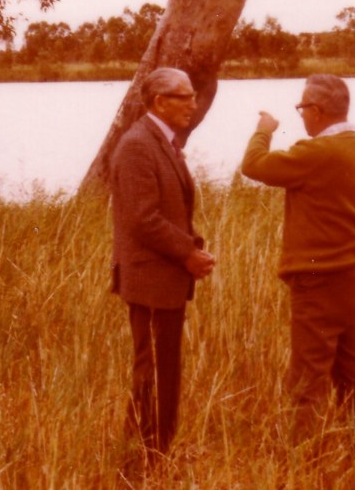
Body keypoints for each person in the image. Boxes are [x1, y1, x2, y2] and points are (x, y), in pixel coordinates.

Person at [240, 74, 355, 442]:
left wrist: (264, 129)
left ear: (317, 111)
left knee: (307, 377)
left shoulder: (316, 152)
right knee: (351, 368)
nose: (300, 116)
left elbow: (254, 165)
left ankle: (301, 459)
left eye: (301, 108)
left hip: (319, 282)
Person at [110, 67, 216, 460]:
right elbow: (143, 218)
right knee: (153, 373)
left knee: (162, 372)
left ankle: (155, 456)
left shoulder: (161, 141)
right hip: (150, 280)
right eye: (184, 97)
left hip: (163, 278)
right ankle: (143, 460)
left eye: (192, 95)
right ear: (159, 102)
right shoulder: (139, 145)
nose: (193, 103)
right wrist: (188, 252)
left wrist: (190, 251)